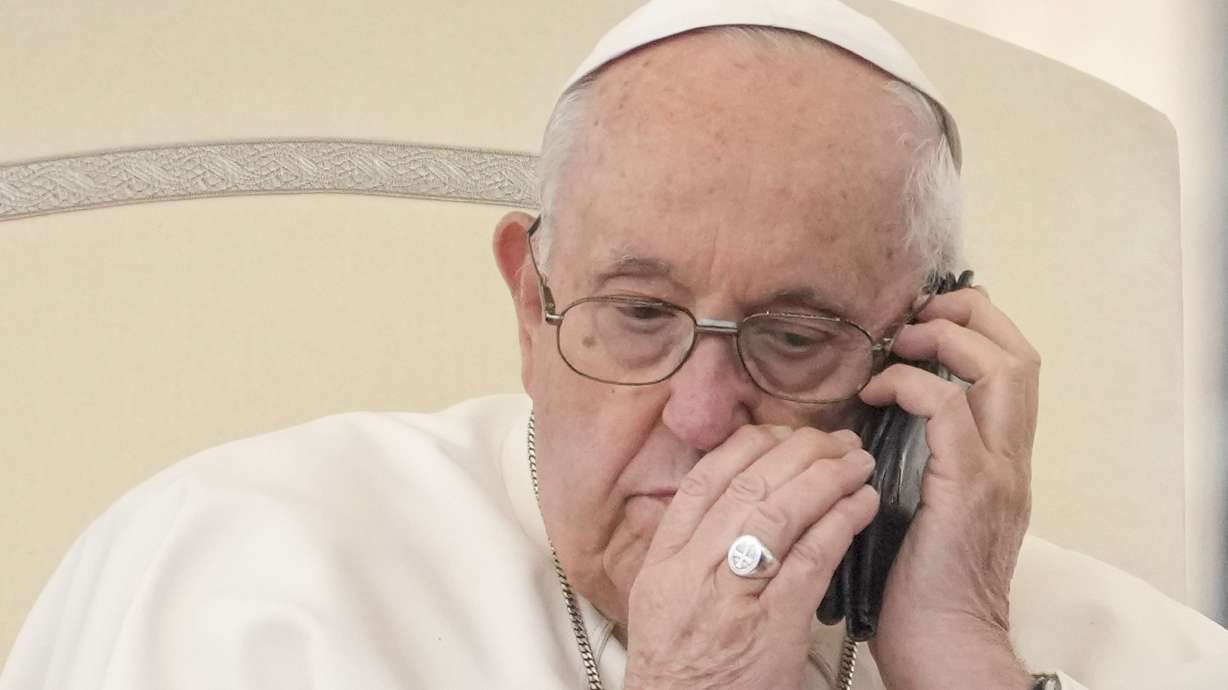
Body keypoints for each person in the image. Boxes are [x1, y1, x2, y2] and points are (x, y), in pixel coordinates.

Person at [2, 1, 1226, 689]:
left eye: (792, 337)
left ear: (921, 368)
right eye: (640, 315)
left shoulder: (1132, 654)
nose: (699, 412)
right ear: (529, 306)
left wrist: (961, 655)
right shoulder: (241, 575)